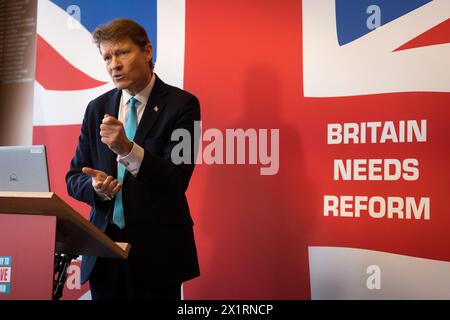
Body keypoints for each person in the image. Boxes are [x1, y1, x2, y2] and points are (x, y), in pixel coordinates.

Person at [66, 18, 200, 300]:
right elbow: (74, 178)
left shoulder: (184, 105)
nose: (114, 65)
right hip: (104, 251)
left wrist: (127, 149)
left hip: (158, 255)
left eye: (122, 53)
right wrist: (95, 189)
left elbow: (178, 180)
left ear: (147, 51)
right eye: (107, 57)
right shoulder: (97, 108)